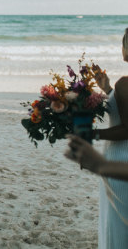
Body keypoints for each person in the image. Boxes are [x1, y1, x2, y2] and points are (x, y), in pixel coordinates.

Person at [85, 28, 128, 248]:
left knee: (117, 229)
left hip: (119, 160)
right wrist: (107, 88)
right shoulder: (120, 86)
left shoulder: (125, 83)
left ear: (125, 50)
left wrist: (93, 133)